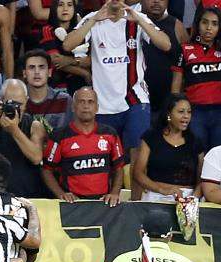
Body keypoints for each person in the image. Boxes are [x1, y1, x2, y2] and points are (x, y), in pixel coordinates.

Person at [63, 0, 172, 200]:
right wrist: (94, 20)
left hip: (135, 100)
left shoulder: (137, 19)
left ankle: (136, 204)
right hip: (103, 104)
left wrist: (139, 19)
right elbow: (68, 44)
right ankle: (108, 201)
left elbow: (166, 44)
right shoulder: (93, 19)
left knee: (138, 156)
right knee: (105, 159)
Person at [42, 87, 125, 206]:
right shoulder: (59, 136)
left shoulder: (110, 134)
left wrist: (114, 193)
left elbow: (119, 168)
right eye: (81, 102)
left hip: (103, 205)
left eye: (90, 102)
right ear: (73, 107)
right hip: (73, 206)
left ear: (97, 107)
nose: (86, 106)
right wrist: (61, 194)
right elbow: (46, 171)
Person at [171, 6, 221, 151]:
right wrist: (173, 115)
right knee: (197, 156)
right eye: (205, 22)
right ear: (198, 24)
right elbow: (176, 85)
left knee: (219, 156)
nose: (209, 28)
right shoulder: (185, 49)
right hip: (195, 112)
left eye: (214, 23)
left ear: (220, 27)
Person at [0, 79, 48, 198]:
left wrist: (14, 130)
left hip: (29, 194)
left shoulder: (34, 125)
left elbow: (36, 157)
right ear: (1, 100)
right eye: (11, 103)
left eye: (19, 104)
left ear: (26, 100)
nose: (15, 108)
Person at [133, 94, 204, 201]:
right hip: (156, 194)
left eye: (189, 112)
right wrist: (162, 189)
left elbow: (201, 180)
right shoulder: (151, 137)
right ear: (168, 114)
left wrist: (193, 199)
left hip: (187, 198)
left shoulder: (195, 142)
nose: (186, 116)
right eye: (181, 112)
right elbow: (138, 173)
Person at [142, 0, 189, 123]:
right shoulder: (131, 24)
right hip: (137, 103)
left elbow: (189, 62)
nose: (156, 1)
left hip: (169, 102)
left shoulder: (176, 26)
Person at [38, 0, 92, 94]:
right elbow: (55, 60)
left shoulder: (81, 32)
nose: (65, 9)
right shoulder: (47, 30)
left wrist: (69, 60)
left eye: (69, 5)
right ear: (54, 8)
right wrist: (85, 73)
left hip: (82, 84)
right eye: (60, 5)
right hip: (58, 84)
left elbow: (91, 60)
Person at [21, 49, 73, 132]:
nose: (37, 72)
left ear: (49, 72)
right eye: (31, 67)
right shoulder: (18, 100)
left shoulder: (65, 100)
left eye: (41, 67)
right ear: (24, 73)